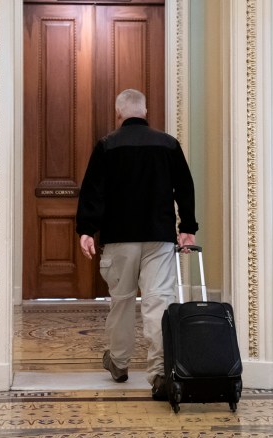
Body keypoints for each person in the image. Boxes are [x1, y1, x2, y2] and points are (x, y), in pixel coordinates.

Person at [76, 89, 198, 400]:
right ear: (146, 111)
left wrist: (87, 230)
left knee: (122, 301)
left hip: (119, 240)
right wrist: (187, 228)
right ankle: (159, 373)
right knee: (159, 302)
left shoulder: (107, 145)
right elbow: (184, 187)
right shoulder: (168, 144)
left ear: (119, 114)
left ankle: (118, 363)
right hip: (159, 238)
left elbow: (93, 191)